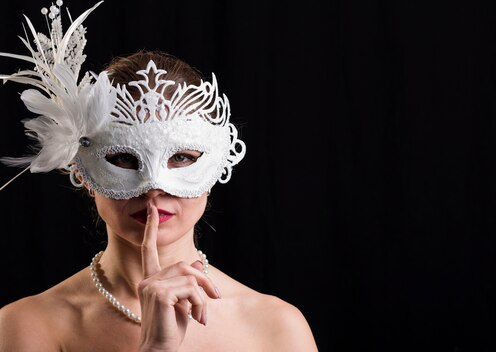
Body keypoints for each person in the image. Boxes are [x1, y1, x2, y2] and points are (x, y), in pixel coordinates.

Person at [0, 2, 318, 351]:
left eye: (182, 157)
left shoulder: (275, 327)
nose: (154, 188)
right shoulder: (26, 326)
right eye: (122, 157)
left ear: (218, 165)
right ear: (80, 168)